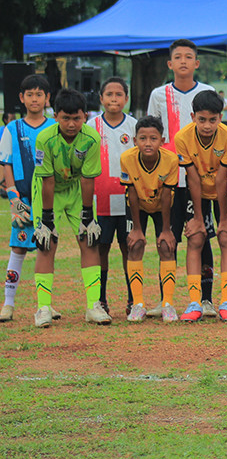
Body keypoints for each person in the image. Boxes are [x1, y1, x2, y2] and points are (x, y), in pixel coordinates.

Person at [146, 39, 218, 317]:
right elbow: (151, 133)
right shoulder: (158, 95)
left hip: (201, 179)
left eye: (189, 57)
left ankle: (207, 299)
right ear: (170, 64)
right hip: (169, 179)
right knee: (168, 238)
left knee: (202, 236)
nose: (184, 61)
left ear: (197, 63)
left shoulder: (207, 91)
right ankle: (167, 302)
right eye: (178, 57)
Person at [30, 88, 105, 327]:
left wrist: (87, 215)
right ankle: (43, 307)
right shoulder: (45, 138)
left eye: (77, 118)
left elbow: (87, 178)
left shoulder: (92, 138)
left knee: (88, 239)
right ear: (55, 116)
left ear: (85, 116)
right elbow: (48, 180)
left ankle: (93, 306)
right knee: (46, 243)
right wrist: (47, 219)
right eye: (65, 118)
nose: (71, 124)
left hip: (76, 189)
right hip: (47, 189)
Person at [174, 90, 227, 323]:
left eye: (213, 120)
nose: (207, 125)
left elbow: (222, 179)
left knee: (225, 237)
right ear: (193, 116)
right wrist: (199, 218)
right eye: (202, 119)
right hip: (197, 189)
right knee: (196, 237)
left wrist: (224, 218)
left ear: (220, 118)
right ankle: (195, 302)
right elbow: (192, 178)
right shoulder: (182, 138)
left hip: (225, 190)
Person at [0, 74, 55, 323]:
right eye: (29, 94)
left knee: (47, 248)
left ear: (47, 98)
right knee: (18, 248)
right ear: (21, 98)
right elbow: (6, 164)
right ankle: (8, 304)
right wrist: (14, 197)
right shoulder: (12, 129)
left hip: (48, 200)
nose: (35, 99)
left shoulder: (54, 127)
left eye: (39, 94)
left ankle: (45, 305)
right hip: (22, 198)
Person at [120, 116, 179, 322]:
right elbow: (132, 193)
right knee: (135, 245)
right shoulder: (127, 158)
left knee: (165, 245)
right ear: (134, 140)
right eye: (142, 138)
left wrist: (165, 229)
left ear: (162, 140)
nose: (147, 143)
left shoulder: (171, 160)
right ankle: (138, 304)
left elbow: (166, 194)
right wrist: (137, 228)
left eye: (153, 138)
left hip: (163, 206)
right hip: (138, 205)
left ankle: (168, 304)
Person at [86, 77, 137, 315]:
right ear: (101, 99)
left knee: (129, 246)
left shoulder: (134, 126)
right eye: (109, 94)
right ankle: (101, 299)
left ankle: (132, 299)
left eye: (119, 95)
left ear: (126, 99)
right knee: (101, 247)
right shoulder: (91, 126)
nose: (114, 99)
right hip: (99, 198)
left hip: (128, 198)